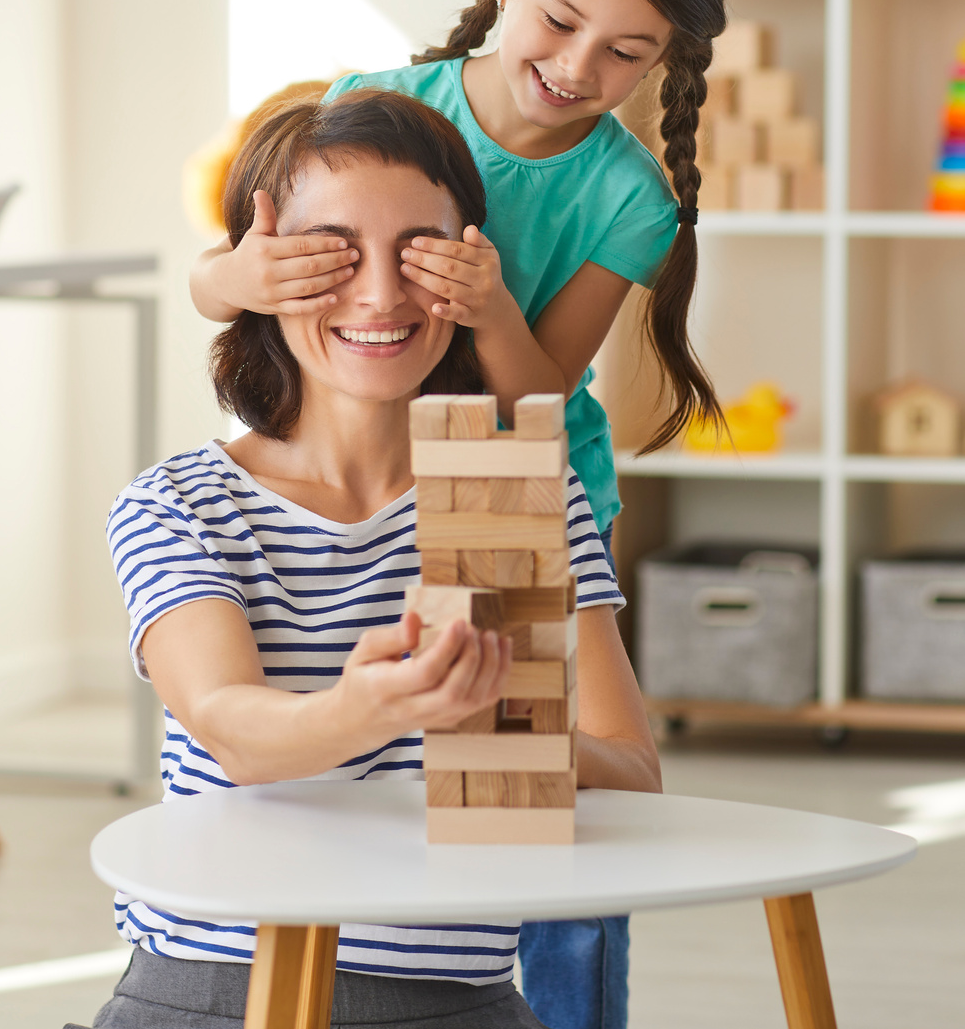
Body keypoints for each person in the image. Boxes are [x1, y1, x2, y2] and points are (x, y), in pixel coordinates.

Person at [188, 0, 731, 1025]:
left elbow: (538, 398)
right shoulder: (381, 106)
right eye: (557, 21)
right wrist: (234, 268)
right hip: (371, 469)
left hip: (520, 482)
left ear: (665, 60)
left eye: (627, 51)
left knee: (541, 790)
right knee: (399, 762)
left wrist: (487, 306)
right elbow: (218, 288)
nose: (578, 68)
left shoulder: (629, 196)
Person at [87, 89, 659, 1029]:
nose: (382, 295)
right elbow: (232, 727)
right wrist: (370, 709)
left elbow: (633, 768)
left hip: (457, 1001)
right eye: (334, 254)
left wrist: (500, 738)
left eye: (419, 254)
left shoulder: (507, 493)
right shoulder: (184, 502)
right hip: (215, 994)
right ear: (262, 272)